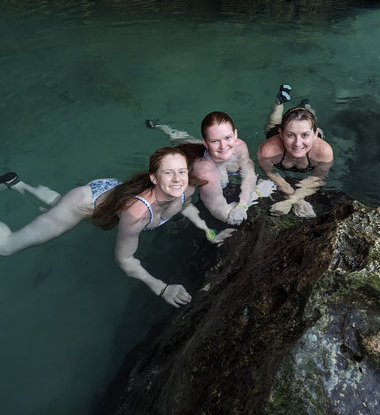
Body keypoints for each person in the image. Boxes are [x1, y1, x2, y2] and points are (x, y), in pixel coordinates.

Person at [0, 147, 233, 308]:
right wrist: (161, 288)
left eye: (182, 172)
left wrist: (209, 233)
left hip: (112, 192)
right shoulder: (137, 214)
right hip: (84, 201)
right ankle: (22, 189)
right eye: (168, 173)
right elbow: (125, 259)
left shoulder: (186, 189)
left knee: (55, 205)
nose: (177, 179)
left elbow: (186, 207)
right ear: (154, 178)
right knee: (7, 247)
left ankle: (17, 185)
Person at [146, 112, 275, 226]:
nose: (223, 146)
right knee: (183, 147)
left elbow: (249, 174)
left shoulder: (239, 146)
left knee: (185, 140)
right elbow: (223, 214)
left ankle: (164, 127)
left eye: (228, 137)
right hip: (203, 164)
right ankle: (163, 129)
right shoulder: (206, 174)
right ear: (206, 143)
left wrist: (243, 201)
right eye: (214, 141)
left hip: (208, 155)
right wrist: (256, 195)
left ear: (235, 134)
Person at [257, 85, 334, 218]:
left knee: (309, 117)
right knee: (273, 121)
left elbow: (317, 179)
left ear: (315, 134)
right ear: (281, 134)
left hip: (311, 136)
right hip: (278, 135)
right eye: (290, 135)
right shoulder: (268, 150)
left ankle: (306, 105)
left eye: (305, 135)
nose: (298, 144)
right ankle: (279, 102)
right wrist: (294, 199)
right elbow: (273, 175)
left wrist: (291, 201)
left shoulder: (323, 152)